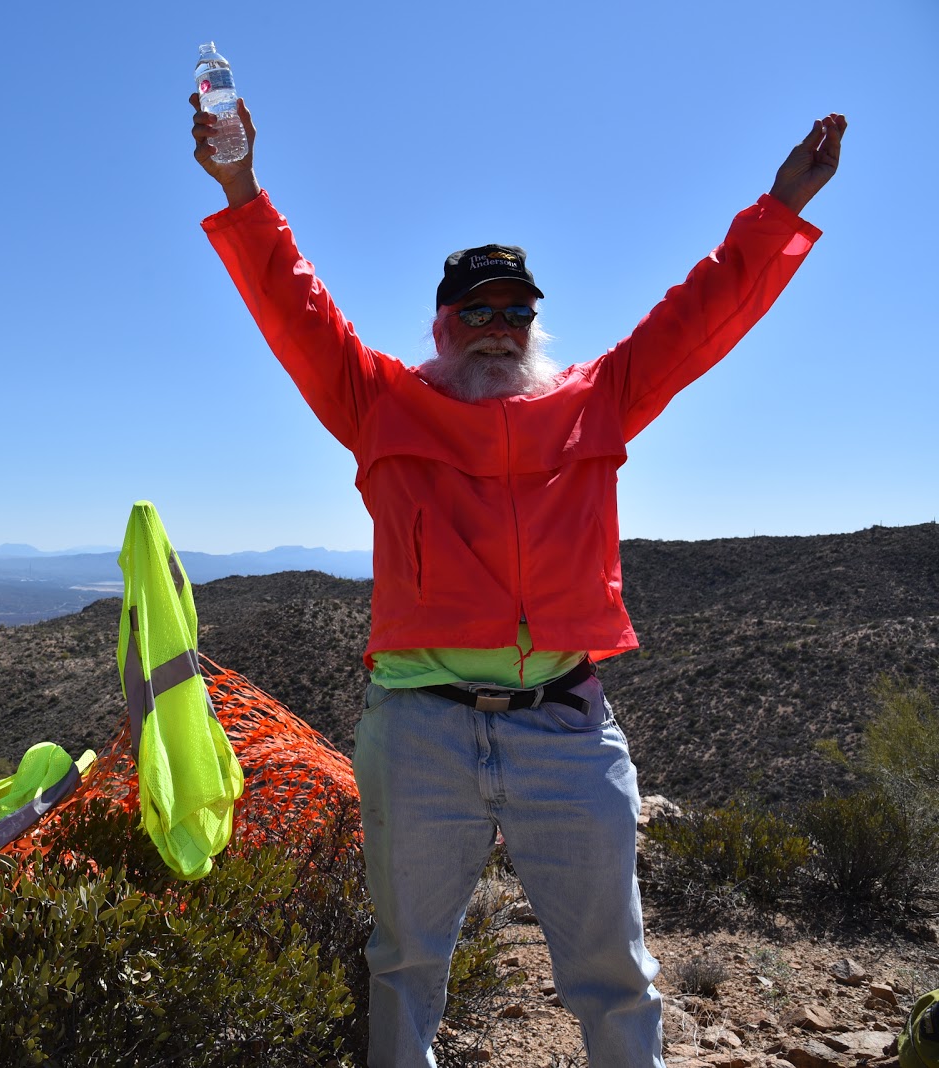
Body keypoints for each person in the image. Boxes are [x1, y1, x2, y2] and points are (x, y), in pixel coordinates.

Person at [189, 93, 845, 1068]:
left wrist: (780, 209)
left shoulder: (597, 399)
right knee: (405, 963)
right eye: (477, 311)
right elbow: (293, 302)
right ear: (443, 324)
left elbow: (700, 316)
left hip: (565, 726)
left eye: (515, 310)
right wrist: (240, 182)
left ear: (533, 322)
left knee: (615, 973)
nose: (498, 326)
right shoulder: (379, 401)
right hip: (419, 729)